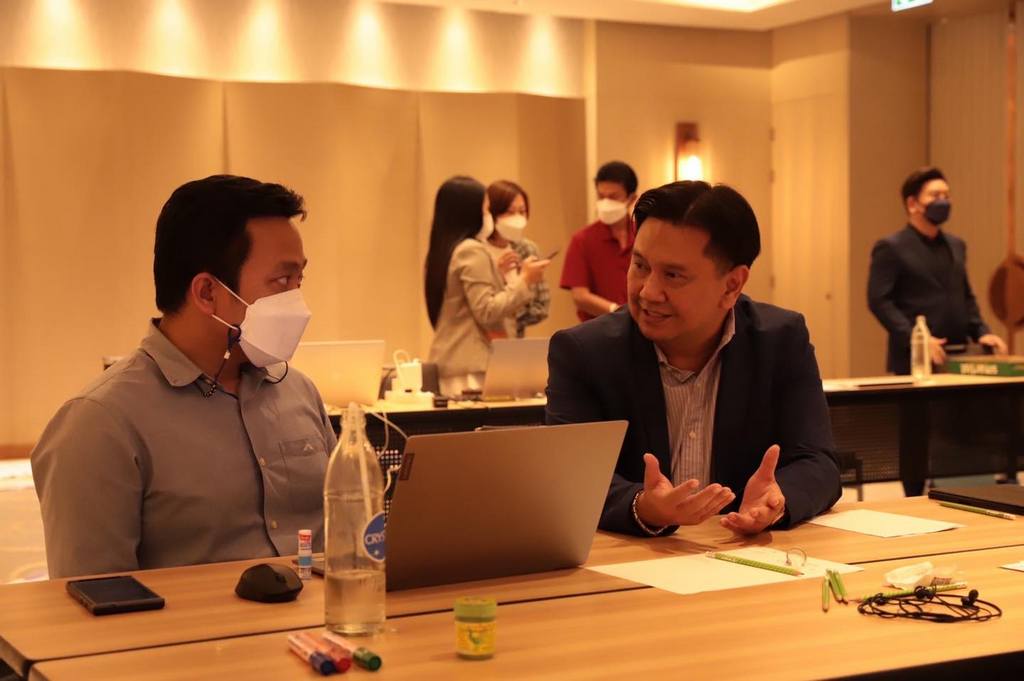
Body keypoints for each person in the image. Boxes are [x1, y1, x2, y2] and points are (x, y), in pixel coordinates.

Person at [31, 175, 337, 578]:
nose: (298, 300)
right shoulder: (100, 423)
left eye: (300, 280)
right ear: (207, 293)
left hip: (321, 617)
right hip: (195, 622)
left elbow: (346, 539)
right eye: (282, 281)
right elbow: (92, 599)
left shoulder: (298, 392)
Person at [546, 180, 841, 537]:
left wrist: (777, 499)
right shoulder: (583, 352)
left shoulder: (780, 340)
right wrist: (643, 505)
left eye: (673, 275)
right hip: (634, 557)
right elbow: (571, 478)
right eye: (640, 265)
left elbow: (818, 461)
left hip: (738, 551)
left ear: (732, 285)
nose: (648, 291)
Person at [868, 167, 1006, 374]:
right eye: (935, 195)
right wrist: (916, 338)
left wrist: (982, 332)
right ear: (912, 204)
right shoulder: (891, 247)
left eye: (946, 196)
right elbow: (879, 301)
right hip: (915, 358)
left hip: (958, 353)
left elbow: (965, 296)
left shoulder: (956, 245)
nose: (943, 201)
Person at [425, 176, 550, 396]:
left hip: (458, 364)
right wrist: (525, 280)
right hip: (473, 366)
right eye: (486, 209)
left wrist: (499, 278)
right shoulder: (471, 250)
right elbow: (487, 312)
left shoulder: (446, 250)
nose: (488, 216)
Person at [560, 161, 639, 322]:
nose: (606, 203)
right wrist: (618, 312)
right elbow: (580, 296)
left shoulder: (643, 234)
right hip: (599, 328)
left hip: (644, 327)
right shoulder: (582, 240)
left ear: (631, 199)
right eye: (601, 197)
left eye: (613, 197)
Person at [483, 180, 551, 338]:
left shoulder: (527, 249)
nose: (517, 218)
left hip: (515, 340)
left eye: (522, 211)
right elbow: (480, 309)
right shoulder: (477, 250)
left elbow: (541, 307)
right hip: (482, 341)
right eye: (510, 212)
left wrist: (510, 316)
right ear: (493, 213)